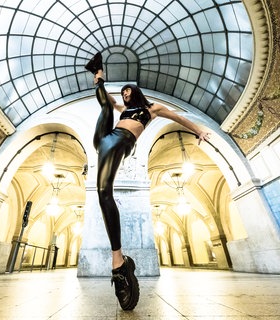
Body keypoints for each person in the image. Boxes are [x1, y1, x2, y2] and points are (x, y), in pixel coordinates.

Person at [85, 52, 210, 310]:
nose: (125, 94)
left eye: (128, 90)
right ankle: (98, 75)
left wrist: (198, 130)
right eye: (123, 92)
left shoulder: (151, 109)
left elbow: (178, 117)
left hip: (120, 141)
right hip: (104, 139)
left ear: (137, 91)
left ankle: (118, 262)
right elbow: (109, 103)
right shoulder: (123, 108)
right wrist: (108, 97)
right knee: (106, 105)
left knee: (103, 194)